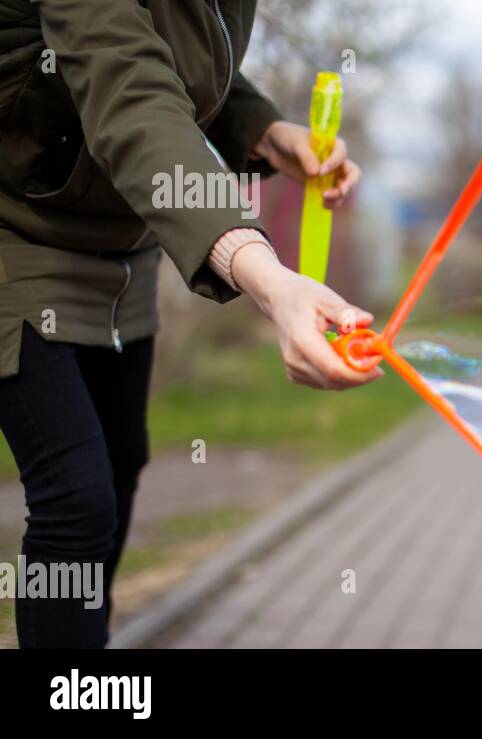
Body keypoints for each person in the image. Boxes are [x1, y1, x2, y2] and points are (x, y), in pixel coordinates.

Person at [0, 0, 381, 648]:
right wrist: (266, 276)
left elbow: (177, 55)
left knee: (120, 465)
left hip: (121, 246)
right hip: (16, 234)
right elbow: (130, 91)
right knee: (77, 496)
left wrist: (265, 132)